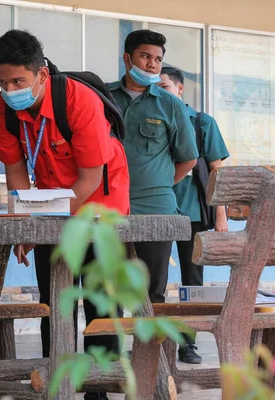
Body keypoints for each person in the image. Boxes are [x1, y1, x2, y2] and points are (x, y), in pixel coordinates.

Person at [0, 29, 130, 400]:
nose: (10, 89)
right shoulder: (1, 109)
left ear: (41, 75)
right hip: (49, 196)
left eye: (18, 80)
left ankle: (98, 384)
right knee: (54, 291)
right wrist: (23, 223)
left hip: (100, 195)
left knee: (99, 294)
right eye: (3, 81)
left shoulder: (78, 101)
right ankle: (58, 375)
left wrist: (41, 218)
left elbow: (89, 179)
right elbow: (16, 174)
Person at [107, 30, 198, 310]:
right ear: (127, 58)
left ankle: (149, 355)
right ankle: (105, 355)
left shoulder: (170, 104)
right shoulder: (103, 98)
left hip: (157, 209)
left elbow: (188, 159)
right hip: (109, 207)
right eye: (145, 56)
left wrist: (159, 184)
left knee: (152, 294)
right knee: (107, 292)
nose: (152, 64)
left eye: (157, 59)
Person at [159, 66, 230, 364]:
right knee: (154, 283)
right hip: (157, 215)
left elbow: (218, 172)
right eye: (156, 88)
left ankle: (189, 343)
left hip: (194, 214)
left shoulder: (202, 123)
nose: (160, 92)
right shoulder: (149, 123)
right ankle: (155, 344)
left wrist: (221, 216)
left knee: (192, 283)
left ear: (179, 89)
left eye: (165, 86)